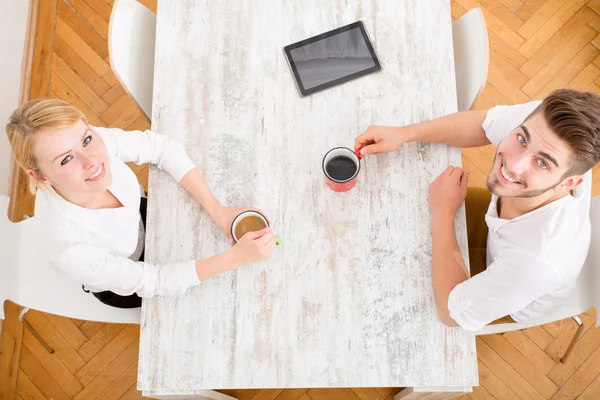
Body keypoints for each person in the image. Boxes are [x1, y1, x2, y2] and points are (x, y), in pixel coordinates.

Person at [354, 89, 600, 331]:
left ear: (569, 183)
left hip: (512, 292)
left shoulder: (535, 264)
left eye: (542, 163)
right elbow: (485, 124)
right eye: (521, 140)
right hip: (504, 228)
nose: (513, 165)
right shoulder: (543, 125)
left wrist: (444, 212)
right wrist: (404, 134)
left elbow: (451, 313)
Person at [5, 99, 277, 308]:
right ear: (40, 176)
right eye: (66, 159)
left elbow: (161, 148)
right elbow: (154, 281)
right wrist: (234, 259)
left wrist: (219, 212)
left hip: (143, 220)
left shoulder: (89, 141)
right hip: (132, 275)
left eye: (86, 139)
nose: (91, 160)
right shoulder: (66, 249)